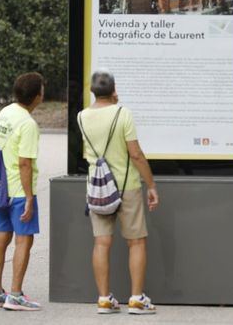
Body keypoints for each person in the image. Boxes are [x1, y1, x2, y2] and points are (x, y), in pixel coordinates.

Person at [77, 70, 159, 315]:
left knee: (101, 242)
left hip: (97, 188)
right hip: (127, 186)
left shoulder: (82, 116)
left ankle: (104, 299)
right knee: (136, 242)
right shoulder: (123, 113)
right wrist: (151, 185)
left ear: (92, 91)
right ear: (114, 91)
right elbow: (135, 154)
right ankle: (136, 299)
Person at [0, 72, 44, 311]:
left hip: (1, 189)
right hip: (19, 190)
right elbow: (25, 163)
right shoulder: (28, 124)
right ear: (37, 95)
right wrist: (29, 197)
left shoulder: (5, 113)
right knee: (23, 241)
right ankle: (16, 295)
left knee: (0, 239)